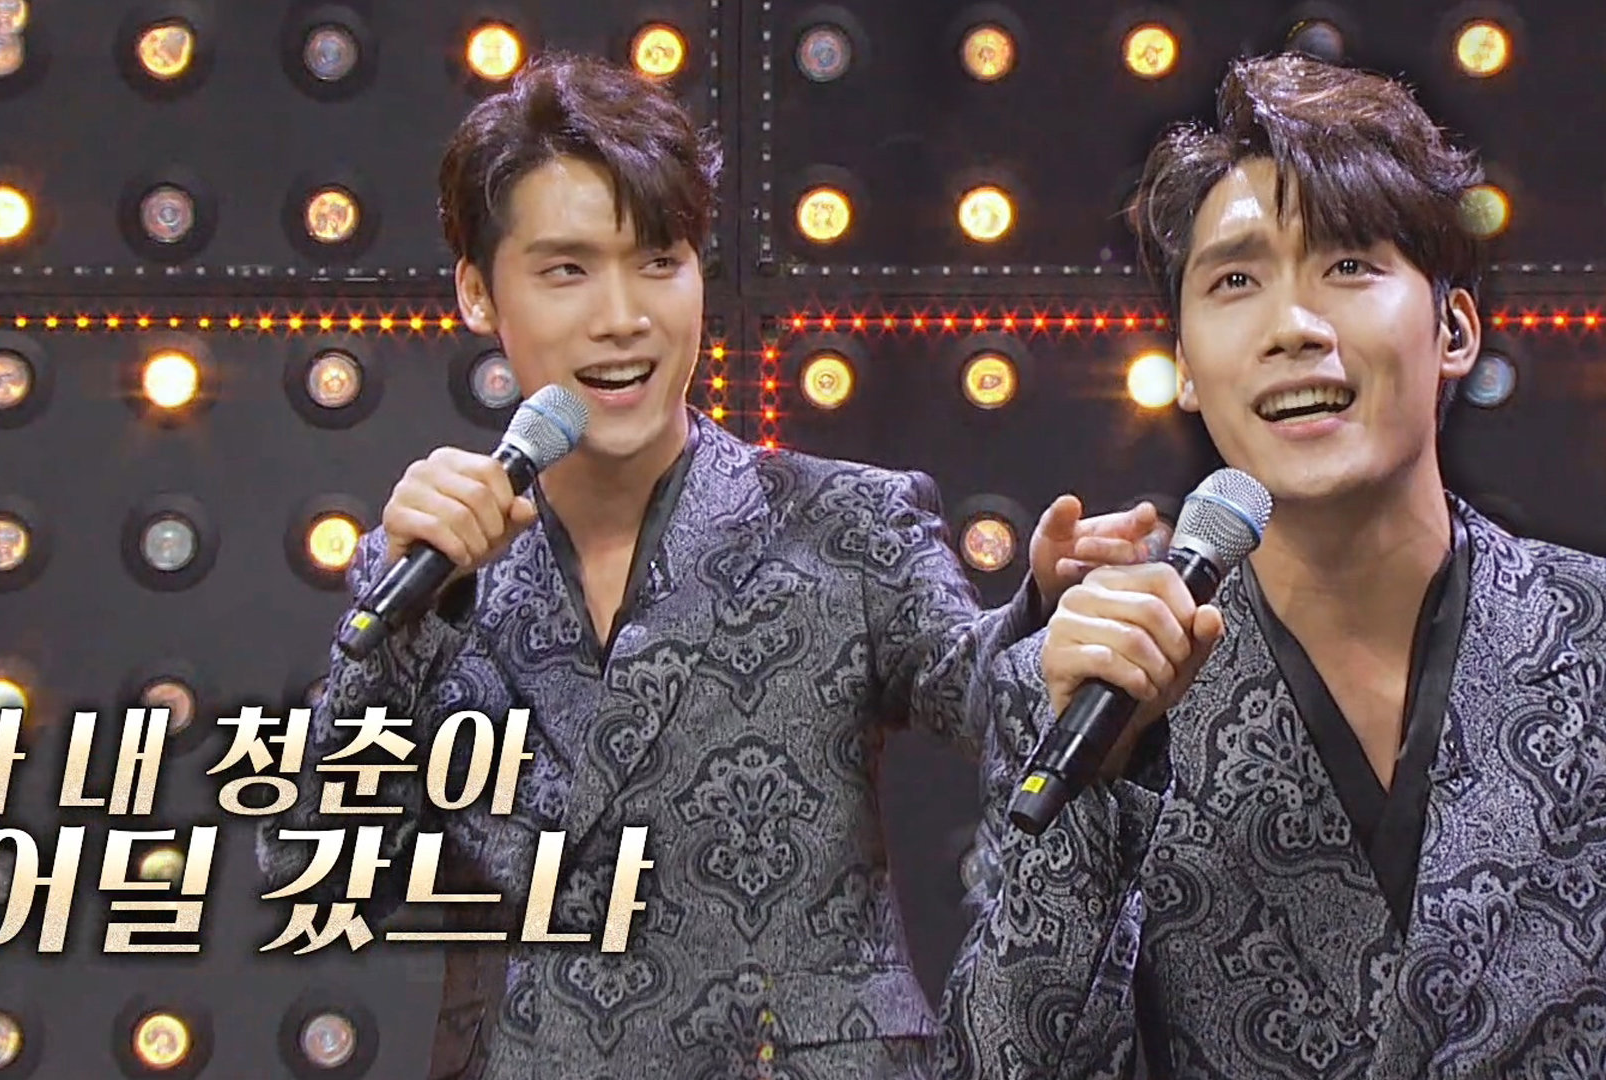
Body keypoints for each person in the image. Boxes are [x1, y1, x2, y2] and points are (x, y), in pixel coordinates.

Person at [255, 52, 1158, 1080]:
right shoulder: (434, 574)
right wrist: (401, 627)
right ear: (476, 291)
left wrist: (1052, 622)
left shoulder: (843, 521)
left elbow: (986, 692)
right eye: (566, 271)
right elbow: (314, 867)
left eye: (658, 260)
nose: (622, 316)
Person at [937, 52, 1606, 1078]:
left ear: (1454, 328)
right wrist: (1100, 795)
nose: (1293, 327)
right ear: (1186, 367)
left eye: (1349, 266)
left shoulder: (1589, 636)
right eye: (1237, 281)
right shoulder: (1089, 688)